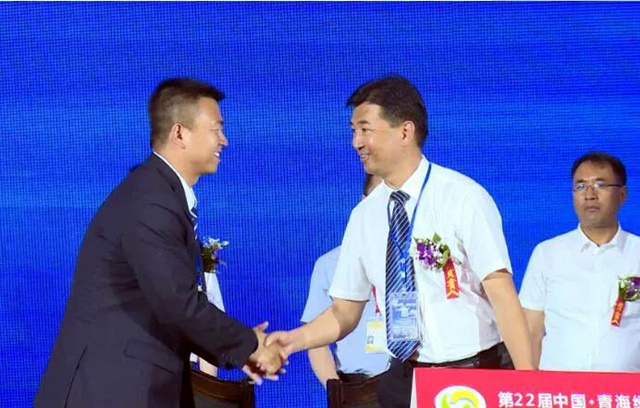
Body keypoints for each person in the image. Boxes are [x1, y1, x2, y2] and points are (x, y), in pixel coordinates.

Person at [267, 75, 534, 408]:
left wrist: (528, 384)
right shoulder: (364, 216)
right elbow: (344, 311)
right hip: (403, 378)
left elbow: (500, 290)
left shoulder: (462, 197)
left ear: (405, 131)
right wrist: (293, 341)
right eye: (353, 131)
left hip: (473, 374)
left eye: (365, 129)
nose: (356, 142)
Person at [36, 78, 284, 408]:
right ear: (179, 133)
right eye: (216, 128)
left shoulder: (158, 193)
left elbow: (168, 306)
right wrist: (249, 346)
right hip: (109, 390)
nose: (223, 140)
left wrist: (239, 352)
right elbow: (176, 302)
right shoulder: (151, 201)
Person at [519, 152, 640, 372]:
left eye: (600, 185)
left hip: (628, 388)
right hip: (558, 388)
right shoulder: (547, 254)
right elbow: (531, 331)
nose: (589, 195)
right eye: (580, 186)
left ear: (622, 195)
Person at [301, 174, 388, 387]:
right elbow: (317, 341)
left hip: (415, 383)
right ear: (363, 202)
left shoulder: (421, 258)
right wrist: (336, 392)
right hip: (356, 386)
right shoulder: (330, 264)